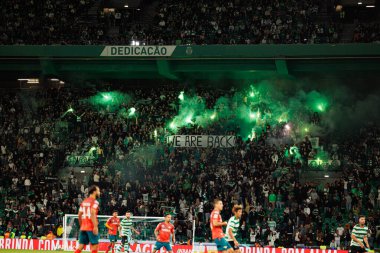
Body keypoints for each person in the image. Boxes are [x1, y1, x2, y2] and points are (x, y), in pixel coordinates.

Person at [74, 185, 101, 253]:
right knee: (95, 245)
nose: (99, 192)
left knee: (81, 246)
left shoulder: (84, 202)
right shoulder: (95, 202)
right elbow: (92, 212)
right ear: (94, 192)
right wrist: (95, 226)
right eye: (98, 191)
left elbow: (79, 215)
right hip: (91, 227)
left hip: (83, 227)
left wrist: (81, 225)